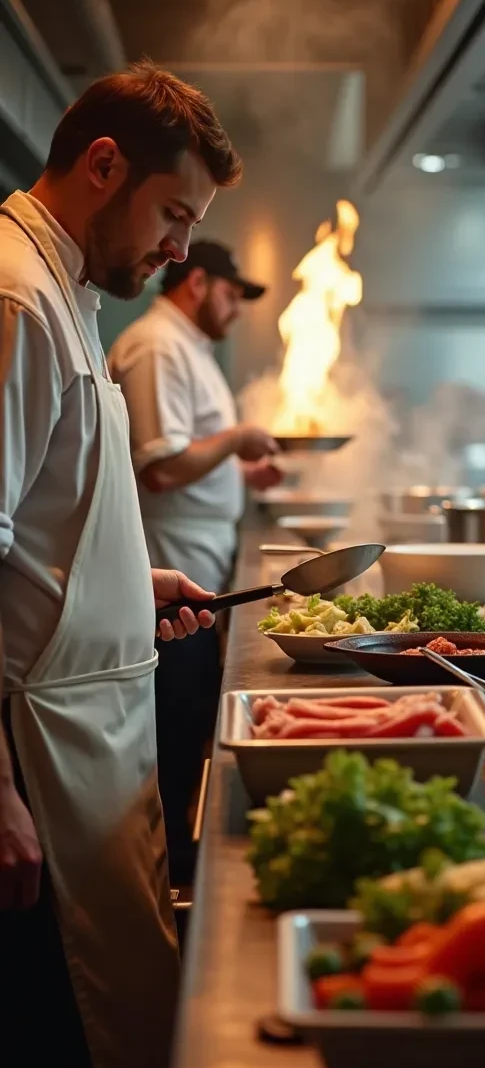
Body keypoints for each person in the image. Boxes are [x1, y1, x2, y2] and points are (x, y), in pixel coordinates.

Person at [0, 62, 242, 1068]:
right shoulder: (12, 294)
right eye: (173, 216)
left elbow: (40, 521)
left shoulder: (69, 290)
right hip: (29, 771)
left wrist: (121, 578)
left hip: (85, 751)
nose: (181, 254)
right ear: (104, 165)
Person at [108, 242, 280, 883]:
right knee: (174, 727)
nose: (236, 311)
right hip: (168, 562)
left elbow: (190, 452)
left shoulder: (189, 347)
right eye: (232, 295)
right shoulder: (157, 345)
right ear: (197, 282)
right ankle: (174, 870)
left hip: (198, 552)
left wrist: (241, 472)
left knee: (186, 720)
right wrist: (235, 440)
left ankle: (179, 858)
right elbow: (161, 467)